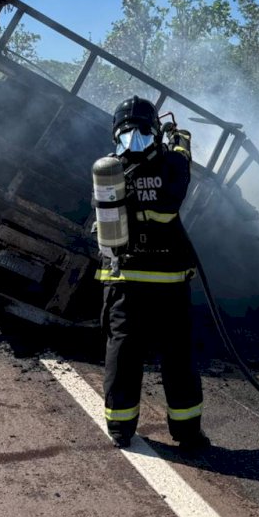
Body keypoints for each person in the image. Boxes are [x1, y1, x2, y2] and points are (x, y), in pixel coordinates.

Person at [96, 95, 210, 452]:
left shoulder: (109, 170)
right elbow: (178, 181)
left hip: (123, 279)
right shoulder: (169, 165)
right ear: (154, 128)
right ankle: (188, 433)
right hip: (168, 282)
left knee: (124, 352)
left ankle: (120, 428)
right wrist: (181, 141)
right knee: (177, 357)